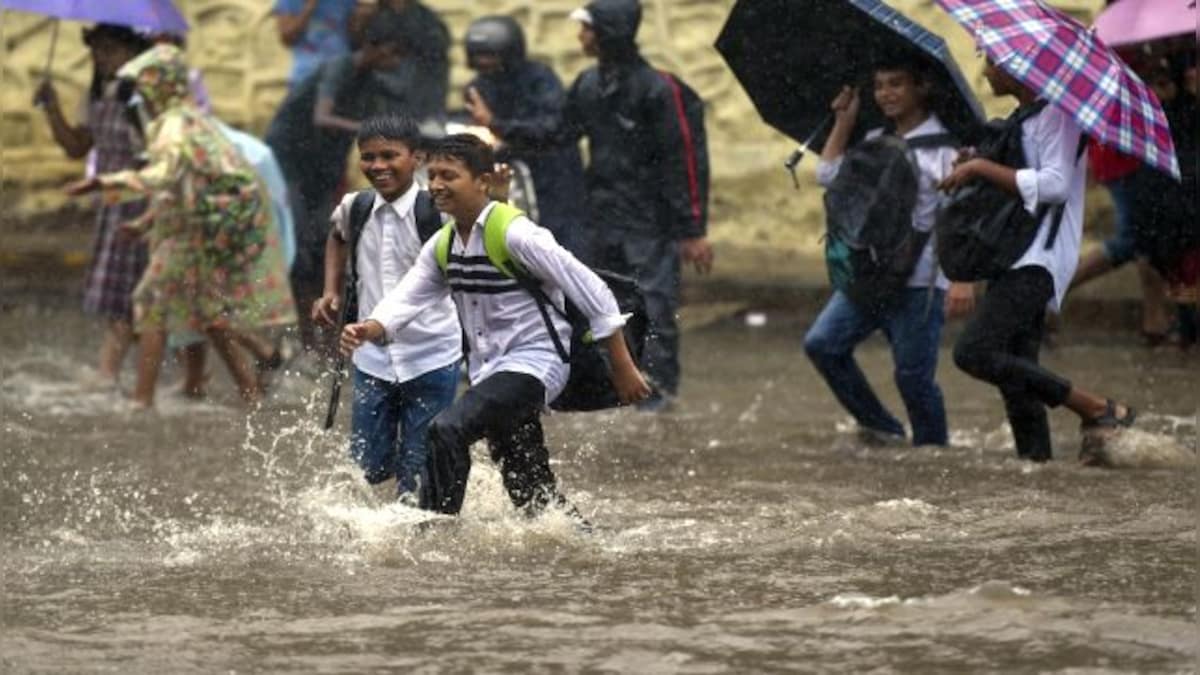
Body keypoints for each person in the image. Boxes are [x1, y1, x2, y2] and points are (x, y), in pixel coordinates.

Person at [339, 134, 650, 518]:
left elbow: (594, 292)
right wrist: (369, 328)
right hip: (490, 373)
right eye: (432, 175)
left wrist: (622, 366)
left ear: (482, 181)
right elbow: (407, 297)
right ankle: (588, 546)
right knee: (530, 493)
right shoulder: (444, 243)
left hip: (535, 364)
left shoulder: (518, 234)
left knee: (446, 430)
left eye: (449, 175)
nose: (436, 185)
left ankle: (433, 534)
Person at [66, 44, 296, 409]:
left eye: (143, 86)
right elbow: (184, 183)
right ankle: (251, 395)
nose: (139, 95)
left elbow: (165, 174)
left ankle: (142, 400)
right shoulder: (193, 118)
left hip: (191, 233)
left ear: (158, 87)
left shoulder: (171, 125)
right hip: (207, 226)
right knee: (210, 313)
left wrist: (106, 184)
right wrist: (145, 223)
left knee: (151, 302)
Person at [940, 57, 1136, 464]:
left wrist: (980, 167)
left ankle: (1094, 406)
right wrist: (974, 165)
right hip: (1011, 251)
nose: (986, 72)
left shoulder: (1057, 114)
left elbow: (1056, 184)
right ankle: (1037, 469)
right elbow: (1014, 174)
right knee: (1017, 377)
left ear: (1019, 68)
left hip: (1039, 257)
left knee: (973, 352)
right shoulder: (1023, 116)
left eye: (993, 63)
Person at [803, 63, 975, 447]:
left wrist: (960, 279)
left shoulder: (948, 150)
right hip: (869, 276)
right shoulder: (875, 139)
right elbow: (829, 176)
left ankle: (933, 454)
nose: (886, 94)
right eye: (879, 86)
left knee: (913, 378)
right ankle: (884, 429)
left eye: (896, 84)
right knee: (822, 345)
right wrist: (844, 121)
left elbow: (959, 218)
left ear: (922, 88)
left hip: (921, 282)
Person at [561, 0, 714, 411]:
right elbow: (558, 132)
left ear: (609, 34)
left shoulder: (661, 89)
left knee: (656, 310)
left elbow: (686, 160)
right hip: (603, 218)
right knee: (599, 305)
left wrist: (693, 229)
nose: (581, 37)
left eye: (588, 29)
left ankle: (657, 398)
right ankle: (610, 389)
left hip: (651, 224)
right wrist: (502, 131)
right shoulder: (588, 85)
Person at [312, 115, 461, 501]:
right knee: (368, 466)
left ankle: (421, 523)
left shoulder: (438, 210)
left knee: (417, 472)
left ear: (418, 158)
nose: (378, 166)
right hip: (372, 357)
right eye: (369, 157)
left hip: (433, 354)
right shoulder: (355, 206)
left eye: (390, 156)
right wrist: (329, 290)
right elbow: (336, 236)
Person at [265, 12, 407, 355]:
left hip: (322, 169)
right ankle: (303, 340)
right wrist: (366, 128)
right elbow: (322, 117)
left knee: (325, 245)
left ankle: (325, 341)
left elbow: (399, 113)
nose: (398, 62)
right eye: (393, 53)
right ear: (375, 48)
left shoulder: (372, 81)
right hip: (291, 167)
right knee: (302, 251)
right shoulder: (338, 68)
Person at [34, 24, 152, 387]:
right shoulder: (98, 95)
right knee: (119, 291)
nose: (103, 59)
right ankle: (113, 370)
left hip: (138, 201)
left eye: (111, 50)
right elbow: (76, 146)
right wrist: (51, 109)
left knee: (131, 292)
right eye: (98, 51)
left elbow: (155, 155)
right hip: (110, 203)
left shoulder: (140, 98)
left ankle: (109, 372)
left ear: (132, 54)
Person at [461, 15, 589, 256]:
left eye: (491, 58)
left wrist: (495, 124)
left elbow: (550, 128)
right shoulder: (478, 87)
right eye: (480, 59)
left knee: (563, 249)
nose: (486, 65)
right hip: (509, 177)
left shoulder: (539, 80)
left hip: (553, 179)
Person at [363, 0, 451, 132]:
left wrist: (396, 48)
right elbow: (367, 53)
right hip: (390, 113)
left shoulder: (426, 19)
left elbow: (437, 48)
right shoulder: (378, 18)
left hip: (426, 111)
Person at [273, 0, 360, 89]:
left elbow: (355, 38)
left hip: (341, 74)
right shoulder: (288, 2)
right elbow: (287, 38)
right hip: (306, 76)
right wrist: (309, 8)